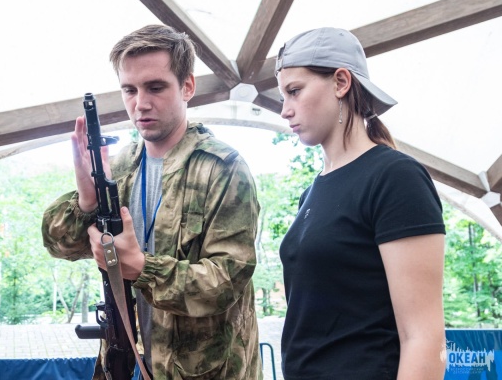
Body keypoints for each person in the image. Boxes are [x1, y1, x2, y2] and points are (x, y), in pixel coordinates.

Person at [41, 24, 262, 379]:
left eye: (155, 87)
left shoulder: (222, 168)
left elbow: (226, 282)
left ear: (187, 86)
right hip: (127, 360)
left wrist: (142, 267)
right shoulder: (120, 167)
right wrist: (86, 202)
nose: (140, 103)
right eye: (129, 90)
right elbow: (59, 245)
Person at [274, 27, 446, 379]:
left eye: (294, 91)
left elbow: (424, 338)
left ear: (341, 82)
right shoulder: (312, 192)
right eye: (282, 96)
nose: (285, 111)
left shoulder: (395, 177)